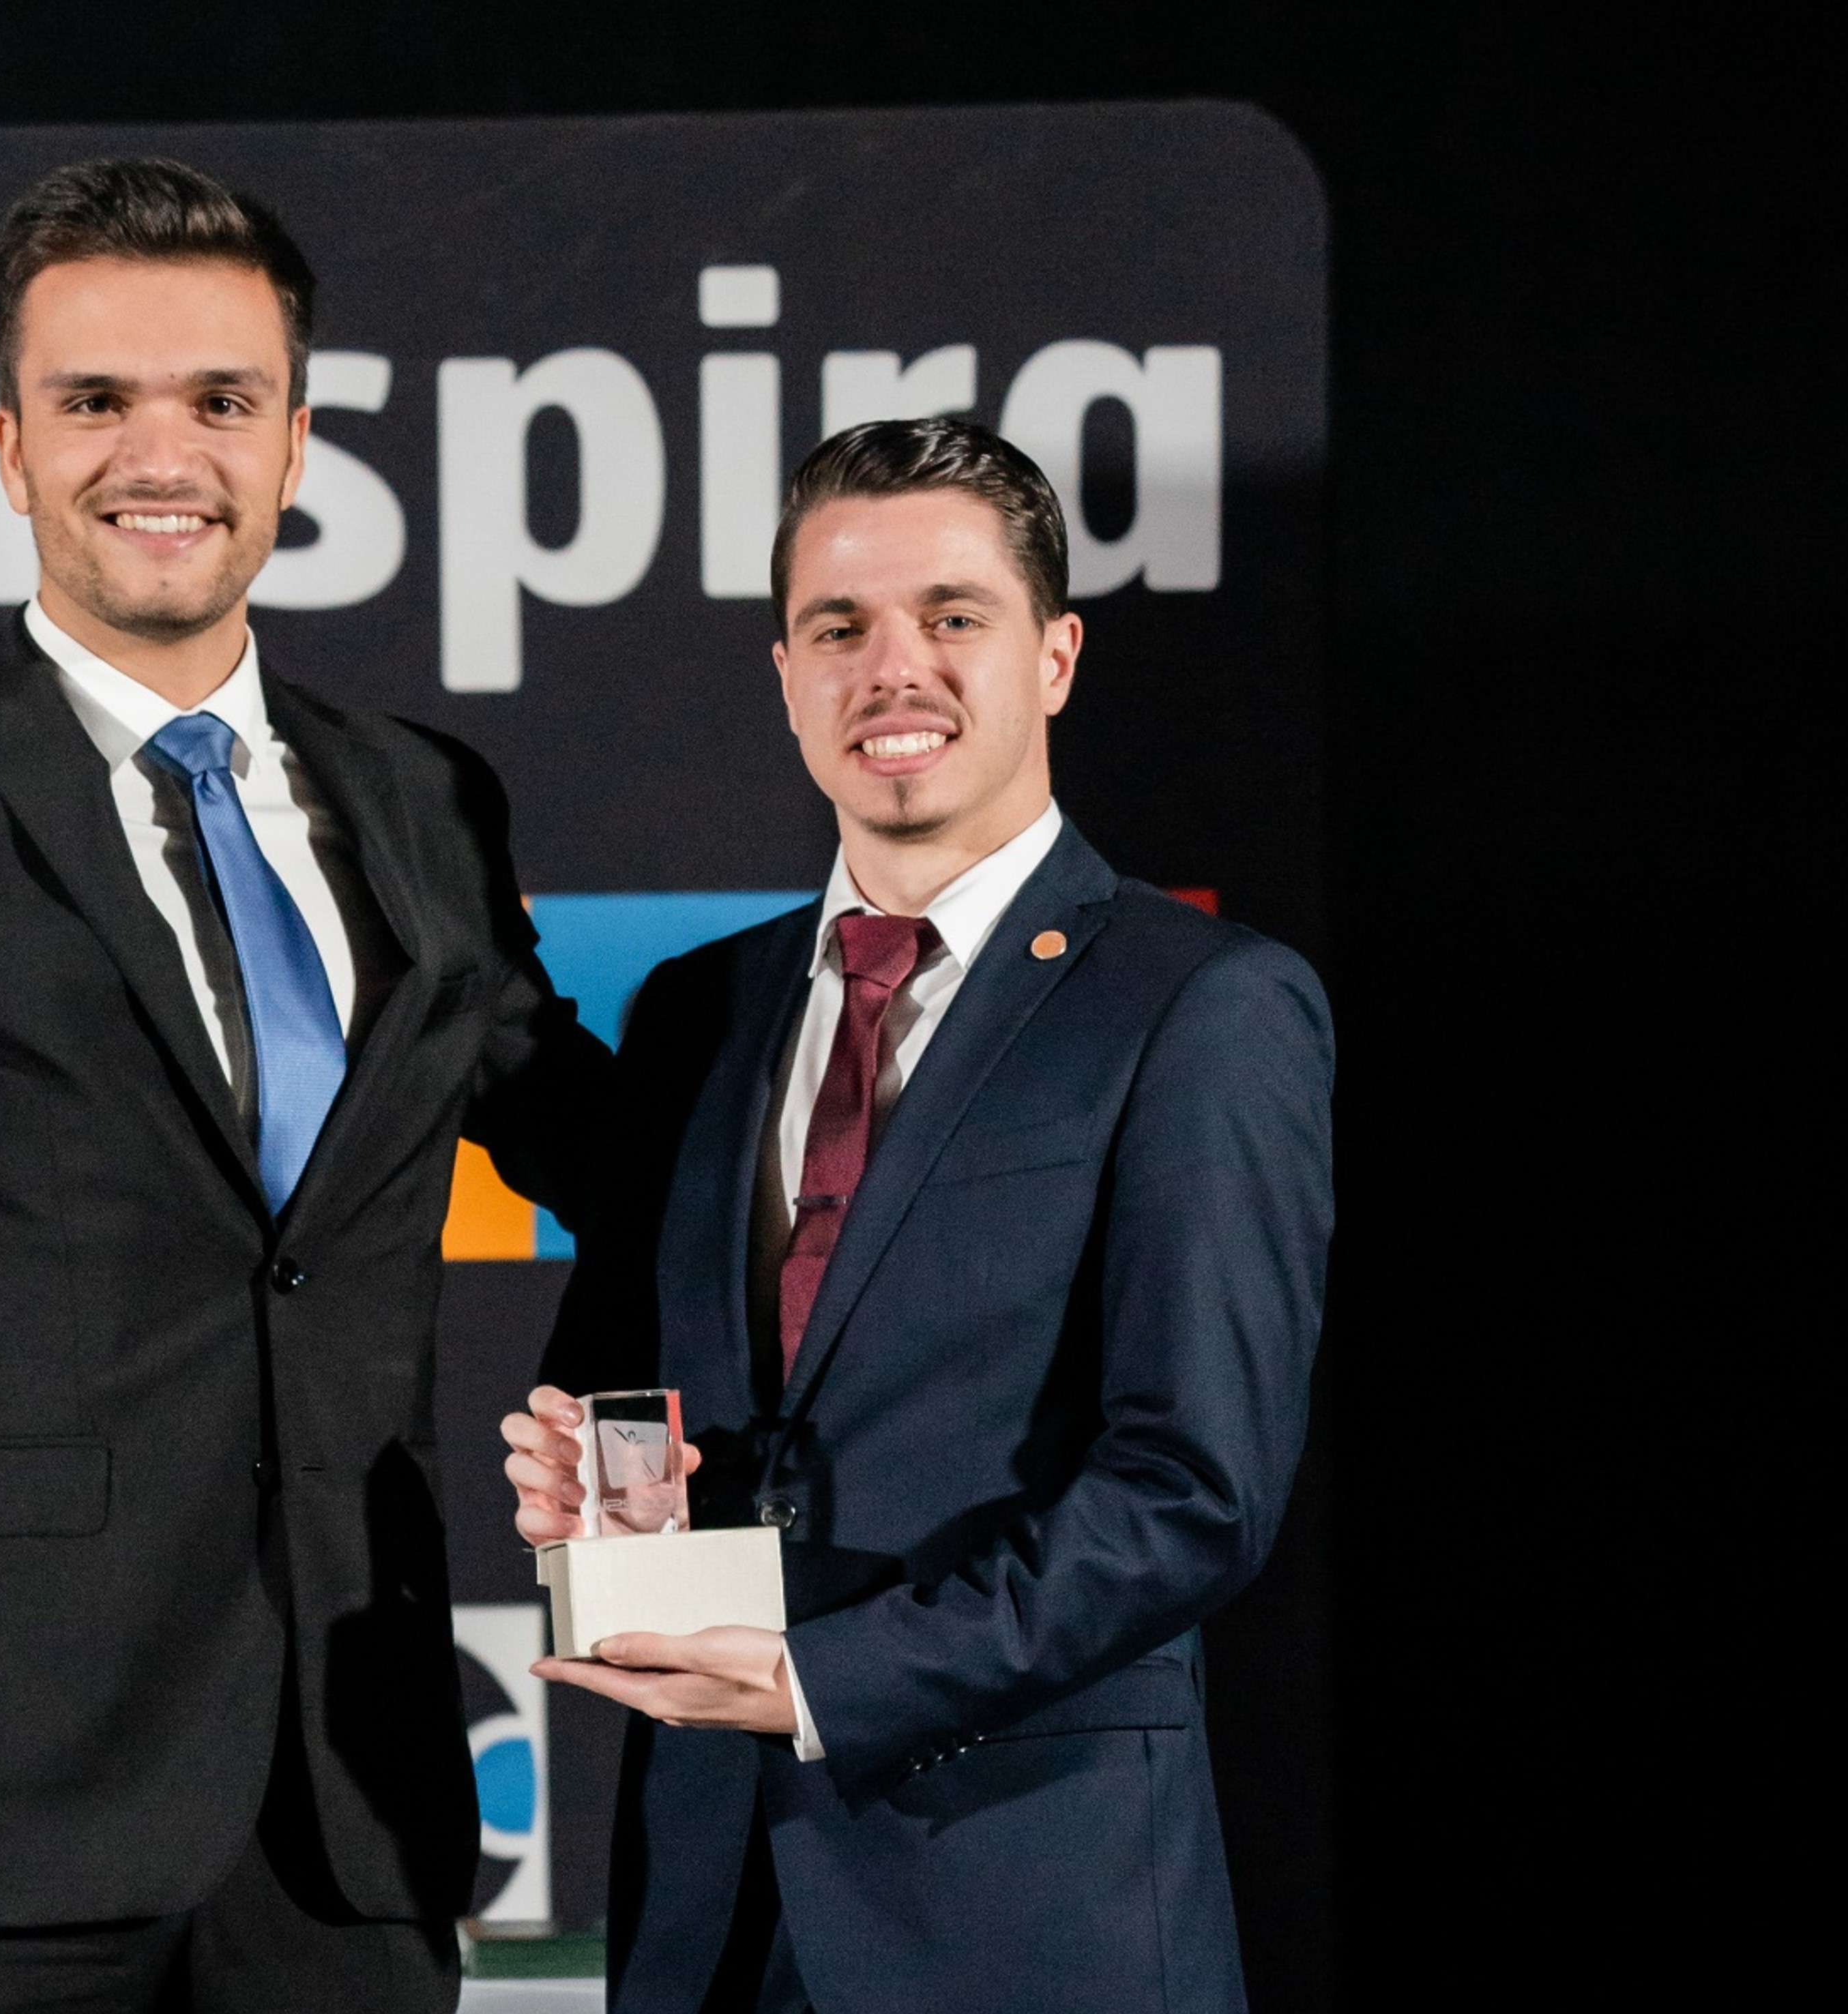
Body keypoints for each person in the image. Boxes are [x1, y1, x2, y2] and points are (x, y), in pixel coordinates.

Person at [0, 158, 609, 2014]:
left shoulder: (424, 801)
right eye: (97, 402)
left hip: (353, 1818)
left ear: (297, 444)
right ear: (10, 449)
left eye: (221, 401)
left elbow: (605, 1149)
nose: (164, 453)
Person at [503, 417, 1334, 2014]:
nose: (895, 669)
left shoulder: (1202, 1006)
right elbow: (622, 1380)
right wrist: (584, 1493)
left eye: (953, 617)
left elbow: (1192, 1493)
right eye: (841, 627)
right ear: (786, 672)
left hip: (1032, 1911)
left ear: (1056, 657)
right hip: (708, 1910)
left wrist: (826, 1679)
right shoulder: (695, 1010)